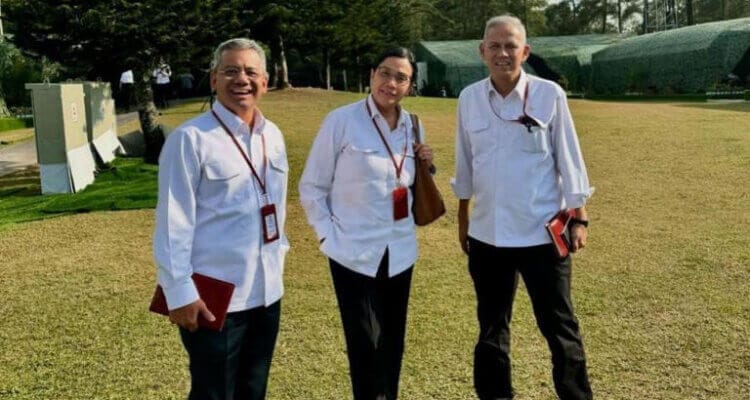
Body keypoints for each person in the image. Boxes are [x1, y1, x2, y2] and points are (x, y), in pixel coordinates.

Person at [452, 15, 595, 400]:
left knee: (560, 328)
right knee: (491, 330)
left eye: (511, 45)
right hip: (488, 236)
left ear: (525, 51)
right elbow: (465, 164)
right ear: (482, 51)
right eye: (494, 46)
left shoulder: (549, 95)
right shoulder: (469, 99)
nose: (503, 53)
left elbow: (569, 157)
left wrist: (579, 218)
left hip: (542, 235)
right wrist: (463, 219)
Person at [153, 38, 289, 400]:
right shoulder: (190, 139)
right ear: (214, 79)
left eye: (250, 71)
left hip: (266, 292)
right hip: (214, 298)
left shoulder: (273, 136)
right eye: (230, 71)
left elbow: (277, 207)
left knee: (253, 390)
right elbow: (173, 222)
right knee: (213, 393)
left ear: (265, 81)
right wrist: (179, 292)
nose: (241, 79)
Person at [299, 47, 434, 400]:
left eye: (401, 78)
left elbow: (409, 181)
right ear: (372, 75)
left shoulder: (413, 124)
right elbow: (312, 186)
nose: (391, 83)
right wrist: (327, 236)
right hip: (352, 252)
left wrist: (427, 164)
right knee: (364, 345)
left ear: (410, 85)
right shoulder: (341, 121)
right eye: (385, 73)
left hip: (399, 250)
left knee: (392, 343)